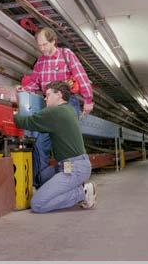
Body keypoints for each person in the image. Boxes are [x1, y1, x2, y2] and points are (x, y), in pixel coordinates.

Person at [20, 27, 94, 188]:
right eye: (39, 45)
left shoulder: (66, 55)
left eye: (45, 44)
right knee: (40, 144)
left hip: (67, 105)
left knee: (66, 147)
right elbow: (33, 82)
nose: (42, 49)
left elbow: (81, 76)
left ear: (53, 41)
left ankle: (77, 185)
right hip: (49, 107)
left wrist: (88, 99)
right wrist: (22, 90)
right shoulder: (40, 62)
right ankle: (41, 185)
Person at [13, 81, 97, 213]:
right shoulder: (68, 109)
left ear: (58, 94)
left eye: (47, 95)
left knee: (37, 204)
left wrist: (12, 113)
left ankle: (82, 193)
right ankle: (72, 186)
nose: (45, 98)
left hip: (74, 168)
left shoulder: (56, 112)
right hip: (68, 165)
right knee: (41, 178)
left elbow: (26, 122)